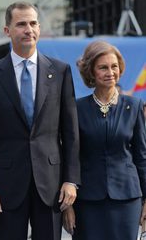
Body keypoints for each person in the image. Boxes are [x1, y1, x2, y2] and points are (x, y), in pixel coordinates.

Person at [0, 1, 80, 240]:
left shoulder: (60, 71)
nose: (28, 29)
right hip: (6, 187)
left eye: (33, 23)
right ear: (7, 30)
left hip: (51, 186)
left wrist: (71, 180)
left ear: (39, 28)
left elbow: (70, 132)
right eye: (21, 24)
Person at [63, 40, 146, 240]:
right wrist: (68, 206)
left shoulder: (134, 106)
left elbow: (141, 156)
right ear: (91, 72)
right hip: (87, 200)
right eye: (103, 67)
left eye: (114, 66)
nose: (110, 72)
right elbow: (70, 157)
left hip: (127, 199)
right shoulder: (77, 109)